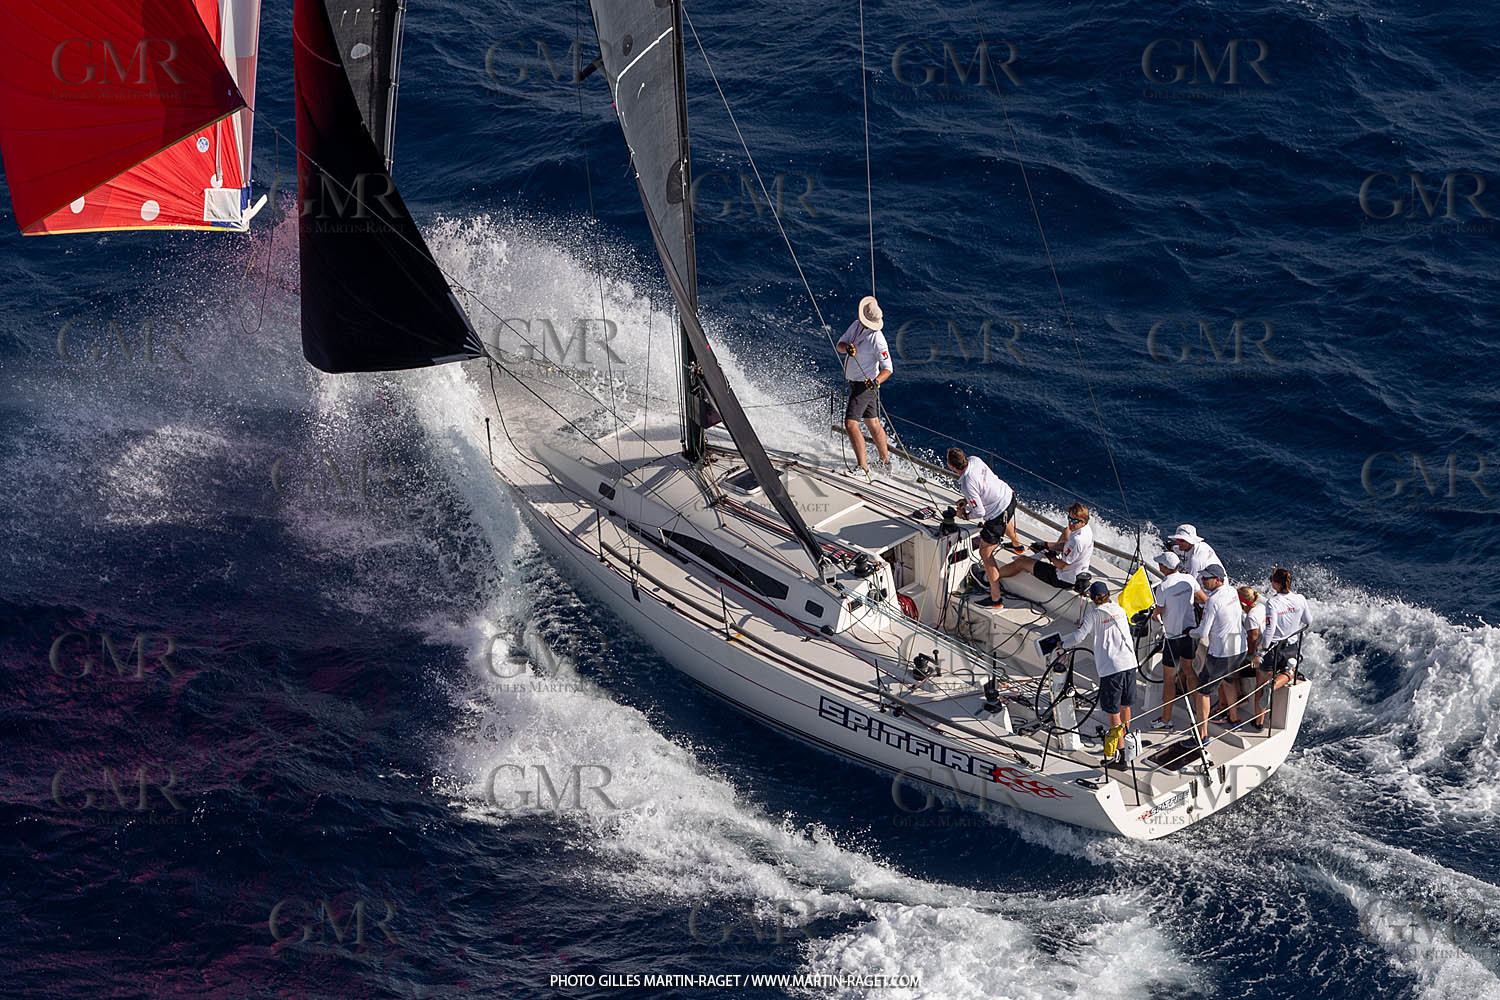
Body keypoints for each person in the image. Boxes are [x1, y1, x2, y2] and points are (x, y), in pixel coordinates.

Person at [1062, 580, 1137, 765]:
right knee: (1125, 706)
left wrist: (1062, 644)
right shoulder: (1120, 610)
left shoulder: (1093, 614)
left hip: (1112, 669)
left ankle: (1119, 755)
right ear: (1108, 595)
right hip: (1129, 663)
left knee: (1113, 713)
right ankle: (1128, 745)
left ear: (1092, 598)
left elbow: (1078, 637)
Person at [946, 447, 1024, 608]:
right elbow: (983, 485)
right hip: (1009, 498)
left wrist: (965, 516)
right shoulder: (975, 460)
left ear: (952, 467)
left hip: (997, 513)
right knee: (1005, 519)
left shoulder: (967, 484)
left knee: (985, 553)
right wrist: (968, 499)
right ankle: (1018, 545)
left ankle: (996, 599)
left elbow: (980, 511)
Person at [1188, 563, 1245, 748]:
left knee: (1202, 692)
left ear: (1218, 580)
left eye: (1207, 578)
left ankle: (1202, 734)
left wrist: (1190, 632)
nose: (1203, 581)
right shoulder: (1232, 592)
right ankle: (1234, 719)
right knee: (1228, 681)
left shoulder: (1212, 601)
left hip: (1220, 653)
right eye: (1202, 577)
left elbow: (1203, 632)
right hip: (1238, 647)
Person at [835, 296, 892, 475]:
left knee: (851, 424)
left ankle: (863, 467)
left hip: (865, 386)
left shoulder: (878, 339)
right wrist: (847, 348)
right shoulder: (856, 325)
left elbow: (888, 369)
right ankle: (885, 462)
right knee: (872, 422)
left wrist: (875, 382)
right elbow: (840, 345)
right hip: (855, 383)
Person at [1254, 567, 1312, 728]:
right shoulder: (1300, 598)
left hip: (1274, 648)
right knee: (1291, 671)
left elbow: (1270, 629)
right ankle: (1276, 683)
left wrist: (1262, 650)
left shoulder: (1273, 602)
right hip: (1291, 647)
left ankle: (1259, 722)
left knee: (1260, 682)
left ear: (1276, 583)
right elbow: (1308, 620)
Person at [996, 502, 1094, 593]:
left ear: (1083, 522)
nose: (1071, 523)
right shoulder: (1086, 530)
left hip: (1063, 578)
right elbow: (1068, 545)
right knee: (1066, 531)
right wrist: (1046, 545)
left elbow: (1063, 566)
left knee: (1022, 561)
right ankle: (1045, 556)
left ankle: (991, 578)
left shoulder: (1077, 540)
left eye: (1075, 521)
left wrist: (1050, 556)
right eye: (1070, 518)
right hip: (1078, 572)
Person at [1149, 550, 1197, 732]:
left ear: (1165, 567)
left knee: (1169, 680)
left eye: (1161, 564)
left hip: (1173, 639)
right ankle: (1197, 710)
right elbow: (1201, 599)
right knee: (1189, 671)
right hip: (1190, 634)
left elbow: (1158, 613)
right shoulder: (1189, 580)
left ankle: (1166, 719)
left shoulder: (1163, 587)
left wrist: (1154, 615)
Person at [1218, 586, 1267, 728]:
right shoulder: (1261, 608)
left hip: (1258, 660)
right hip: (1266, 652)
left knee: (1225, 672)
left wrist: (1249, 656)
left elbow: (1253, 639)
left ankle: (1227, 710)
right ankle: (1238, 695)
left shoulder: (1250, 617)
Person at [1169, 524, 1221, 604]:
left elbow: (1188, 587)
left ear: (1190, 541)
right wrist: (1172, 548)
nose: (1178, 542)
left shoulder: (1195, 560)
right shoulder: (1201, 545)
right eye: (1177, 539)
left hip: (1209, 598)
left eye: (1181, 540)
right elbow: (1179, 549)